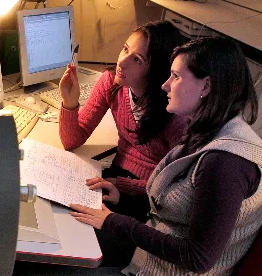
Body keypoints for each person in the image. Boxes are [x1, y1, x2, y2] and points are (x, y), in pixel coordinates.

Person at [11, 37, 262, 276]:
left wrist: (115, 221)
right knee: (57, 245)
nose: (165, 85)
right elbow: (183, 202)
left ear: (206, 86)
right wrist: (125, 195)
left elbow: (198, 257)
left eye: (175, 77)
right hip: (156, 257)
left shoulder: (226, 163)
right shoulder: (209, 129)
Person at [59, 21, 187, 198]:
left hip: (151, 194)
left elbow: (177, 182)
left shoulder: (175, 111)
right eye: (125, 49)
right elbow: (71, 141)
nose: (122, 62)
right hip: (117, 175)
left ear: (156, 70)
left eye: (137, 59)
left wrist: (122, 185)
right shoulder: (110, 83)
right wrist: (69, 102)